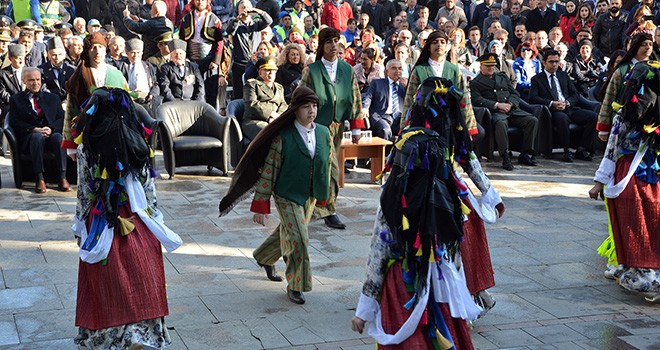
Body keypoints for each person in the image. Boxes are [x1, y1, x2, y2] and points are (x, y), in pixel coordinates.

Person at [351, 76, 505, 348]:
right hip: (442, 271)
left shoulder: (395, 194)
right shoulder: (441, 189)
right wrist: (490, 194)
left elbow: (379, 249)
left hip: (406, 281)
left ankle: (474, 294)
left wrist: (365, 307)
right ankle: (468, 300)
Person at [70, 85, 181, 348]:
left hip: (102, 220)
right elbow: (148, 189)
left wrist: (79, 228)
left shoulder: (88, 147)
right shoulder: (139, 144)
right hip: (137, 218)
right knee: (142, 277)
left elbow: (85, 191)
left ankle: (111, 337)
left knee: (107, 282)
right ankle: (140, 334)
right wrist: (156, 221)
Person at [220, 86, 331, 305]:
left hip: (310, 195)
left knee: (290, 231)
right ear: (295, 109)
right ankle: (296, 285)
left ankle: (264, 256)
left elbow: (327, 165)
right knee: (299, 238)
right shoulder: (283, 138)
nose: (312, 111)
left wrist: (326, 194)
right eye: (306, 106)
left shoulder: (323, 132)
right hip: (286, 193)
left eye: (315, 106)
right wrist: (261, 204)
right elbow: (269, 170)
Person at [588, 60, 659, 303]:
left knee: (633, 227)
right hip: (650, 179)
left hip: (629, 176)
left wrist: (599, 182)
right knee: (648, 225)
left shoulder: (623, 115)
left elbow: (611, 149)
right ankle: (641, 269)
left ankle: (637, 270)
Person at [299, 27, 366, 230]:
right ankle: (321, 208)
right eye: (328, 41)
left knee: (330, 167)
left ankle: (326, 208)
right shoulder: (312, 70)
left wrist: (356, 127)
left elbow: (355, 98)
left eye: (336, 40)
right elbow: (301, 97)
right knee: (324, 167)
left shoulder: (347, 69)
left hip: (337, 127)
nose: (333, 44)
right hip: (316, 126)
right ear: (322, 45)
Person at [401, 30, 478, 142]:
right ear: (428, 47)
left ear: (447, 47)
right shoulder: (419, 70)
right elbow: (409, 99)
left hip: (451, 120)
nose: (439, 45)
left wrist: (469, 128)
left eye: (442, 42)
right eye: (435, 42)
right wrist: (404, 126)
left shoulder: (454, 70)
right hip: (425, 121)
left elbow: (464, 99)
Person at [61, 32, 129, 154]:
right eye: (93, 48)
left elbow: (128, 105)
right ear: (87, 51)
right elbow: (71, 111)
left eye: (101, 47)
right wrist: (71, 147)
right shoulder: (78, 77)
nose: (97, 51)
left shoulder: (116, 74)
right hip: (87, 135)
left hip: (115, 134)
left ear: (105, 50)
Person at [470, 53, 538, 171]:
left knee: (532, 120)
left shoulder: (502, 76)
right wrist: (497, 105)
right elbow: (477, 100)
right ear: (481, 66)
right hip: (496, 112)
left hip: (511, 109)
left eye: (493, 65)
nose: (491, 68)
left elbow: (515, 93)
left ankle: (525, 153)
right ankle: (505, 155)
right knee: (501, 124)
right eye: (487, 66)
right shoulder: (475, 82)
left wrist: (510, 104)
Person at [529, 49, 597, 162]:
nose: (554, 64)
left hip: (569, 108)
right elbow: (533, 98)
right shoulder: (537, 79)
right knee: (562, 119)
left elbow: (575, 94)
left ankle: (582, 148)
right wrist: (552, 103)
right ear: (544, 62)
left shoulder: (563, 75)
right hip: (553, 111)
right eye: (551, 62)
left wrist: (567, 102)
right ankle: (566, 150)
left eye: (556, 61)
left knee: (593, 117)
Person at [9, 67, 68, 193]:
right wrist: (34, 129)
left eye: (38, 79)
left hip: (50, 134)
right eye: (31, 80)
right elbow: (14, 122)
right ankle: (39, 178)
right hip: (30, 136)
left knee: (58, 138)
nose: (35, 83)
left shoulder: (53, 98)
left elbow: (61, 118)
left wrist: (51, 129)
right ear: (24, 81)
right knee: (37, 137)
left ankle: (62, 177)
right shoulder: (16, 99)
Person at [596, 32, 653, 142]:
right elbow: (609, 98)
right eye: (644, 44)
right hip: (623, 121)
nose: (648, 47)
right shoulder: (622, 71)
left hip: (648, 123)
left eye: (650, 44)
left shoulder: (655, 69)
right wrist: (603, 128)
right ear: (635, 46)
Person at [179, 0, 230, 111]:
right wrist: (185, 57)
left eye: (202, 0)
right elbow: (182, 40)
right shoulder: (186, 19)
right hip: (191, 60)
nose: (200, 2)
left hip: (209, 60)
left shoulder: (214, 19)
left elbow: (219, 42)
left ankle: (211, 116)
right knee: (192, 90)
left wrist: (216, 61)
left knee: (210, 91)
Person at [226, 0, 273, 100]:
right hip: (239, 64)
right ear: (238, 10)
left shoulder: (256, 24)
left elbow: (269, 21)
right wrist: (238, 19)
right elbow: (229, 30)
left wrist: (259, 12)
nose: (245, 10)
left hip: (254, 63)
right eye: (242, 7)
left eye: (247, 7)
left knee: (254, 92)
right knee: (239, 94)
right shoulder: (235, 23)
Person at [243, 56, 288, 139]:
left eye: (273, 71)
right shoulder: (252, 84)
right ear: (260, 72)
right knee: (270, 131)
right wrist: (271, 114)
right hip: (255, 121)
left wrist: (277, 117)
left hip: (276, 120)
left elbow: (283, 105)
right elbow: (252, 104)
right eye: (268, 70)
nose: (271, 73)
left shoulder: (279, 87)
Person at [361, 59, 404, 141]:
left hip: (398, 119)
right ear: (387, 71)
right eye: (394, 68)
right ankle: (385, 154)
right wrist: (365, 107)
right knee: (385, 130)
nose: (397, 71)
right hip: (381, 116)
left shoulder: (403, 87)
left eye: (400, 68)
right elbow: (368, 97)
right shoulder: (377, 83)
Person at [117, 38, 161, 114]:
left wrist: (152, 95)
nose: (135, 55)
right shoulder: (121, 66)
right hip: (129, 98)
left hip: (147, 98)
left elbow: (155, 84)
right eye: (133, 53)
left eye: (138, 52)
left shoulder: (150, 66)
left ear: (142, 53)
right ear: (127, 54)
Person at [38, 36, 74, 103]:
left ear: (64, 55)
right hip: (50, 103)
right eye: (54, 55)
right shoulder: (41, 70)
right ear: (48, 56)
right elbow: (43, 89)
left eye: (60, 54)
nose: (57, 58)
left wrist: (65, 102)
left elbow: (74, 90)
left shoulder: (72, 70)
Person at [0, 43, 27, 117]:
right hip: (10, 107)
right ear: (10, 59)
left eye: (22, 58)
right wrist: (16, 103)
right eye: (18, 58)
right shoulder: (3, 74)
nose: (21, 61)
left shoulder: (30, 71)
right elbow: (3, 93)